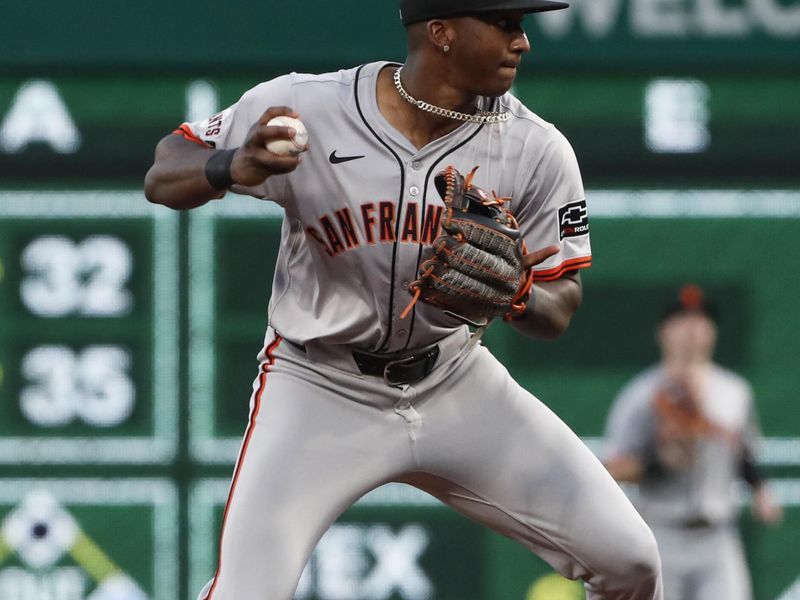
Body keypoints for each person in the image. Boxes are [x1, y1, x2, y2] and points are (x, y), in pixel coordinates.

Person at [145, 1, 663, 598]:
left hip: (453, 381)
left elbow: (561, 305)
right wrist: (234, 164)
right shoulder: (308, 107)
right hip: (320, 386)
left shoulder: (535, 147)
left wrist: (517, 291)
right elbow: (163, 171)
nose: (522, 41)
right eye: (503, 23)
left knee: (632, 562)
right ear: (441, 31)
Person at [603, 284, 783, 600]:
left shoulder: (734, 392)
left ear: (712, 331)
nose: (692, 329)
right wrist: (657, 463)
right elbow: (612, 468)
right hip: (661, 533)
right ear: (663, 331)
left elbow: (742, 452)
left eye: (701, 320)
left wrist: (759, 489)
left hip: (718, 537)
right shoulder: (640, 396)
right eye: (681, 320)